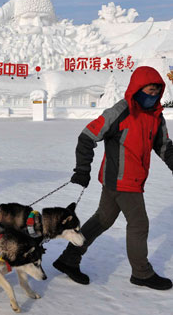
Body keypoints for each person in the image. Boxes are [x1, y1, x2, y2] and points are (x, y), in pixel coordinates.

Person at [53, 66, 173, 290]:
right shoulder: (121, 111)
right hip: (122, 181)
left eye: (157, 91)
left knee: (103, 220)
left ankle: (68, 259)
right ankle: (142, 273)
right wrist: (82, 169)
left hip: (131, 180)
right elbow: (87, 136)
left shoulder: (156, 116)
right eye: (149, 90)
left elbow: (164, 147)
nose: (153, 95)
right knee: (139, 224)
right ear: (137, 88)